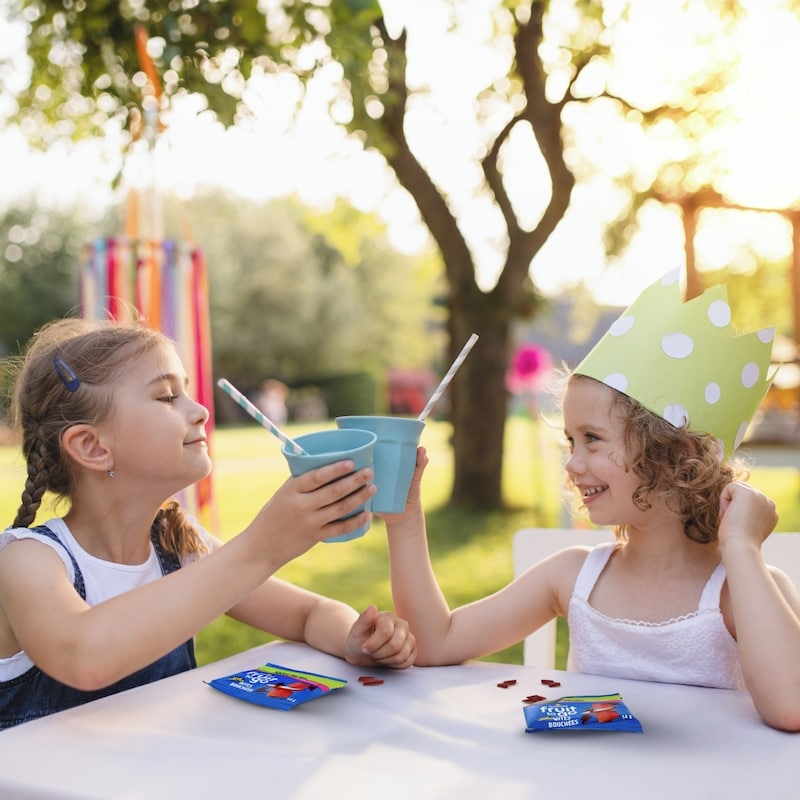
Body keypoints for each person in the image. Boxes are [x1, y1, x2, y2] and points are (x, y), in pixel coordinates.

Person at [384, 271, 800, 732]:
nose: (572, 464)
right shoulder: (572, 576)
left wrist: (742, 547)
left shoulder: (736, 591)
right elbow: (434, 642)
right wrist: (404, 516)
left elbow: (791, 708)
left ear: (677, 456)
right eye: (570, 441)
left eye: (592, 440)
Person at [0, 318, 415, 730]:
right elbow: (84, 658)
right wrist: (262, 545)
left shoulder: (178, 546)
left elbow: (308, 614)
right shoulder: (26, 561)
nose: (199, 411)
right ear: (92, 447)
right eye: (165, 397)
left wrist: (352, 639)